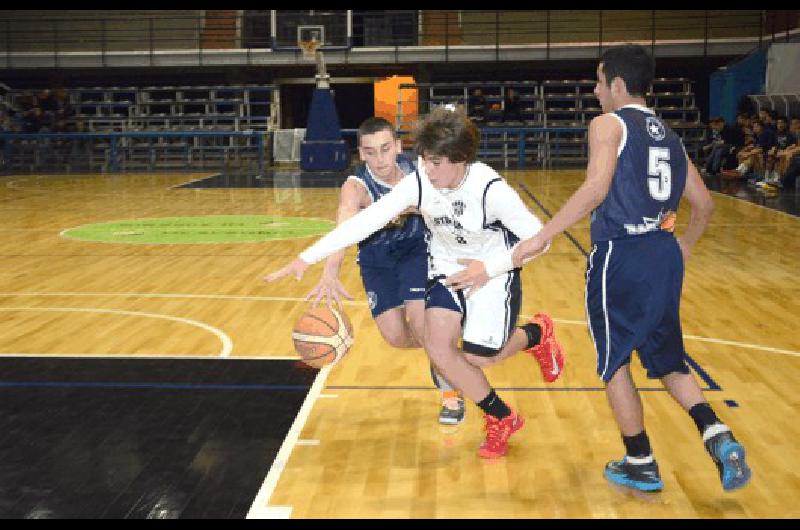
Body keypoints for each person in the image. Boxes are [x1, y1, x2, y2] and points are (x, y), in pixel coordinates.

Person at [512, 44, 751, 493]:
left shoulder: (607, 124)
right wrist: (683, 247)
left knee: (615, 362)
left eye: (600, 82)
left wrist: (542, 236)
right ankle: (718, 434)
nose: (596, 91)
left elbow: (595, 189)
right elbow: (704, 203)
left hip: (620, 254)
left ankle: (640, 460)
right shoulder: (671, 135)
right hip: (662, 254)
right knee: (669, 362)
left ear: (617, 84)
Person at [266, 107, 565, 459]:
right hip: (445, 267)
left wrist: (489, 267)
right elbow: (365, 221)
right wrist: (308, 258)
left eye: (436, 162)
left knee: (478, 356)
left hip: (492, 269)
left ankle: (537, 334)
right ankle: (501, 417)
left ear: (460, 159)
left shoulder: (490, 189)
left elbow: (540, 238)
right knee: (437, 345)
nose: (427, 169)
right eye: (424, 160)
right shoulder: (421, 179)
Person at [304, 117, 465, 425]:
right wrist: (330, 269)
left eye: (385, 149)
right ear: (361, 154)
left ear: (398, 146)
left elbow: (452, 195)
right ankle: (445, 344)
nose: (379, 159)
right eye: (370, 152)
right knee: (396, 337)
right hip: (377, 261)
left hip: (417, 252)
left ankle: (450, 393)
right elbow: (346, 221)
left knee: (421, 322)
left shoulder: (419, 171)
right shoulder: (356, 187)